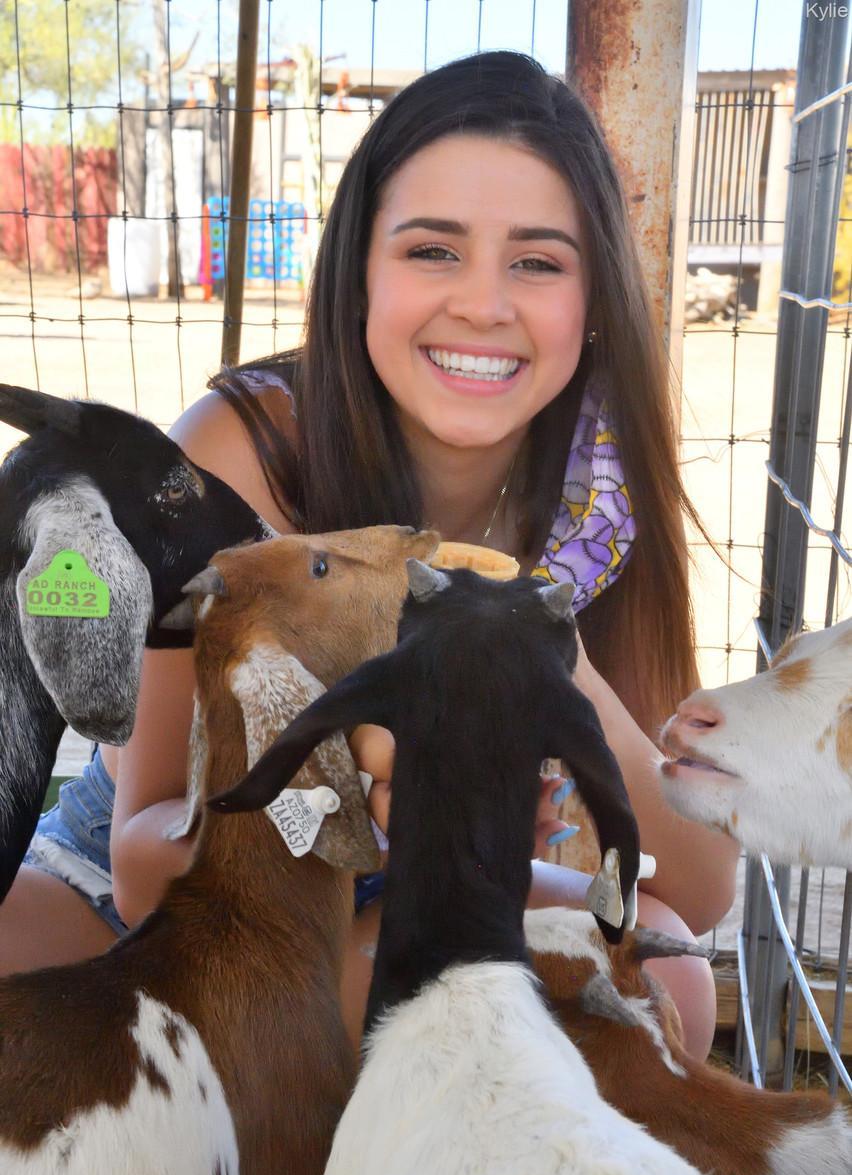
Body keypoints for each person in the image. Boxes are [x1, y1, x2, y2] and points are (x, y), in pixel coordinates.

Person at [2, 51, 738, 1060]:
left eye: (538, 260)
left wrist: (534, 638)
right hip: (177, 903)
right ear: (358, 276)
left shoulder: (602, 501)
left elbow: (696, 883)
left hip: (423, 903)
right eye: (433, 250)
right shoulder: (240, 458)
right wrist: (345, 789)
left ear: (597, 297)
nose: (483, 303)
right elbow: (141, 857)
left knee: (661, 981)